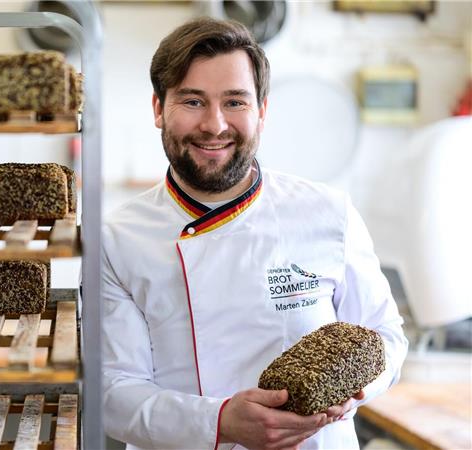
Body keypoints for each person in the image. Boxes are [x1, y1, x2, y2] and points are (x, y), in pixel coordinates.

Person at [101, 17, 408, 450]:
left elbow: (386, 336)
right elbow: (113, 390)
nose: (215, 124)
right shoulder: (117, 239)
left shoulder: (327, 213)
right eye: (192, 101)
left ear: (261, 111)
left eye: (235, 102)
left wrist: (355, 386)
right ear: (157, 109)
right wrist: (220, 422)